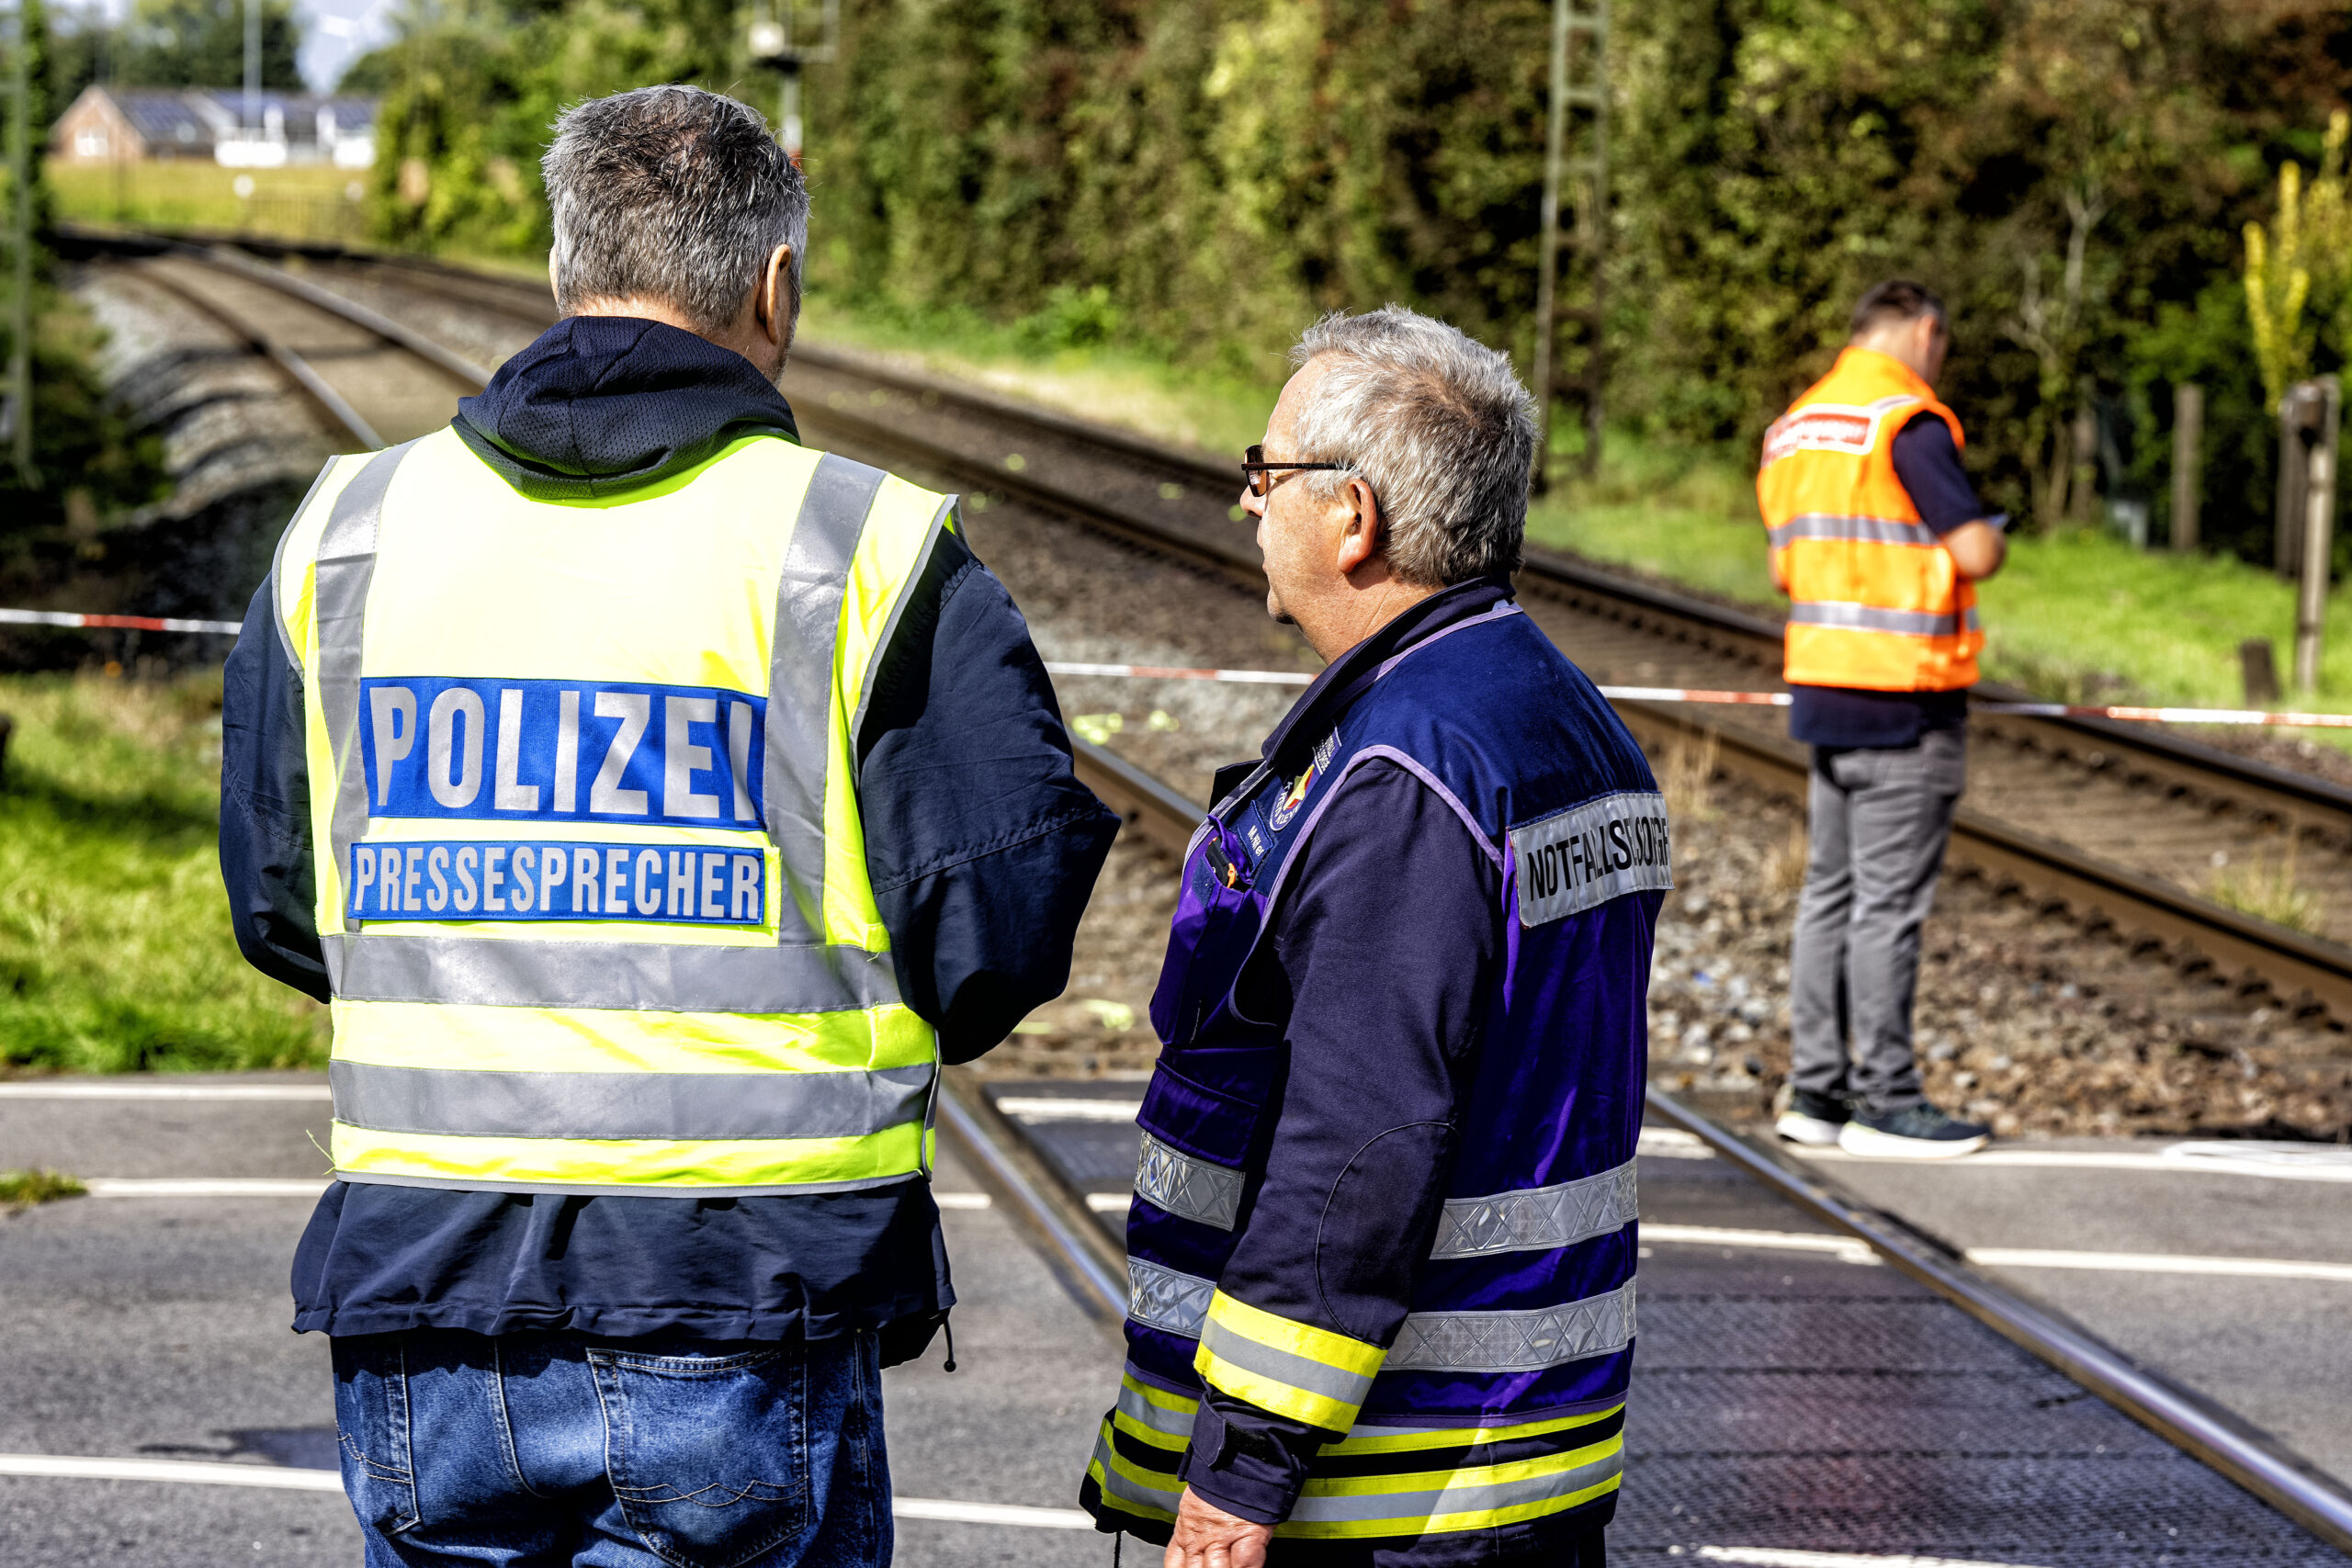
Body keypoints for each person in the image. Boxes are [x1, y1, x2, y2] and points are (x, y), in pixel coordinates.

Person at [218, 85, 1119, 1567]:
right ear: (775, 285)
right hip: (747, 1291)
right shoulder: (866, 547)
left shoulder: (348, 530)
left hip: (429, 1279)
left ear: (567, 267)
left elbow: (279, 902)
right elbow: (994, 935)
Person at [1077, 306, 1667, 1567]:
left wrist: (1237, 1474)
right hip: (1530, 1452)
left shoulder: (1404, 769)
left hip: (1385, 1488)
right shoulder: (1564, 714)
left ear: (1353, 516)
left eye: (1267, 471)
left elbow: (1363, 1141)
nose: (1247, 502)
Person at [1758, 279, 2007, 1158]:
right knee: (1888, 907)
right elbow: (1973, 547)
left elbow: (1790, 569)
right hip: (1908, 699)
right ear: (1925, 330)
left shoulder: (1796, 428)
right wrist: (1994, 533)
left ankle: (1816, 1093)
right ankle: (1886, 1099)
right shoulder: (1908, 421)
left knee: (1830, 894)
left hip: (1827, 692)